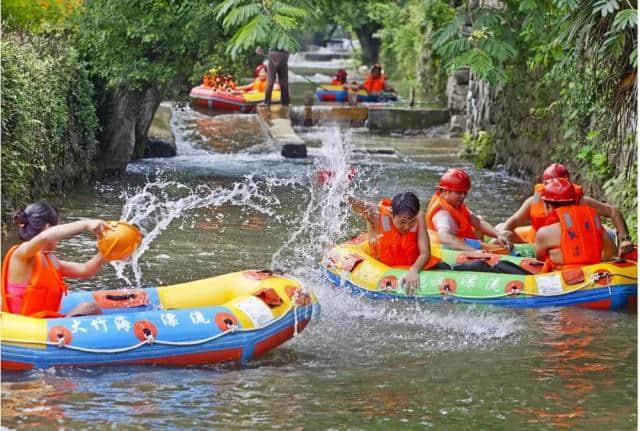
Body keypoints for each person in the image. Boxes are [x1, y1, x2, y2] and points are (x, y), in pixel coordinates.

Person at [496, 162, 633, 256]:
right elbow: (513, 221)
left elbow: (613, 211)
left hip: (568, 244)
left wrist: (625, 238)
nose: (555, 188)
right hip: (538, 241)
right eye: (550, 185)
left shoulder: (581, 202)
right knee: (501, 228)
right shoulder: (534, 201)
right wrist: (502, 234)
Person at [1, 202, 111, 318]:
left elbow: (85, 270)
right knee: (89, 307)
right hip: (23, 327)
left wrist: (108, 251)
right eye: (58, 227)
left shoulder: (50, 260)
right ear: (48, 228)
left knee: (90, 308)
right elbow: (45, 236)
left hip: (45, 324)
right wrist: (86, 224)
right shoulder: (21, 254)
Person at [350, 192, 440, 292]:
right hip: (381, 271)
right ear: (392, 214)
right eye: (402, 222)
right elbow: (358, 205)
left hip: (415, 267)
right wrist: (342, 194)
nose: (407, 227)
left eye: (412, 222)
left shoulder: (419, 217)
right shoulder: (376, 215)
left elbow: (425, 253)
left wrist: (414, 270)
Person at [535, 178, 617, 270]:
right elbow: (612, 253)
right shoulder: (594, 225)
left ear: (548, 206)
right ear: (575, 202)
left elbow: (539, 260)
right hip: (596, 274)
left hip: (565, 279)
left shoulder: (544, 233)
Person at [425, 168, 511, 251]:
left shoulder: (455, 204)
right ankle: (490, 247)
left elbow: (477, 222)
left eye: (465, 192)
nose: (463, 196)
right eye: (459, 193)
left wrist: (497, 235)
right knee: (507, 234)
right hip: (450, 248)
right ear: (445, 191)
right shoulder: (442, 214)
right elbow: (443, 237)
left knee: (482, 219)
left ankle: (492, 243)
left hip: (462, 240)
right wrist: (472, 250)